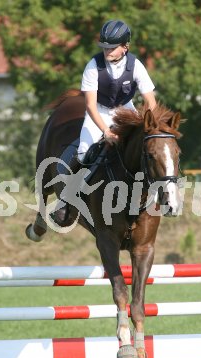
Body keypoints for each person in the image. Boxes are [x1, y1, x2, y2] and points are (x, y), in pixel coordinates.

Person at [52, 20, 157, 226]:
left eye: (112, 47)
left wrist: (150, 125)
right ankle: (66, 199)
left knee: (145, 147)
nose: (107, 50)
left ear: (125, 47)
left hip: (126, 110)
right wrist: (106, 131)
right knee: (83, 152)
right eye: (105, 47)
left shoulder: (136, 65)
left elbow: (151, 102)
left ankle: (156, 191)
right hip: (99, 111)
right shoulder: (94, 65)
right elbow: (90, 104)